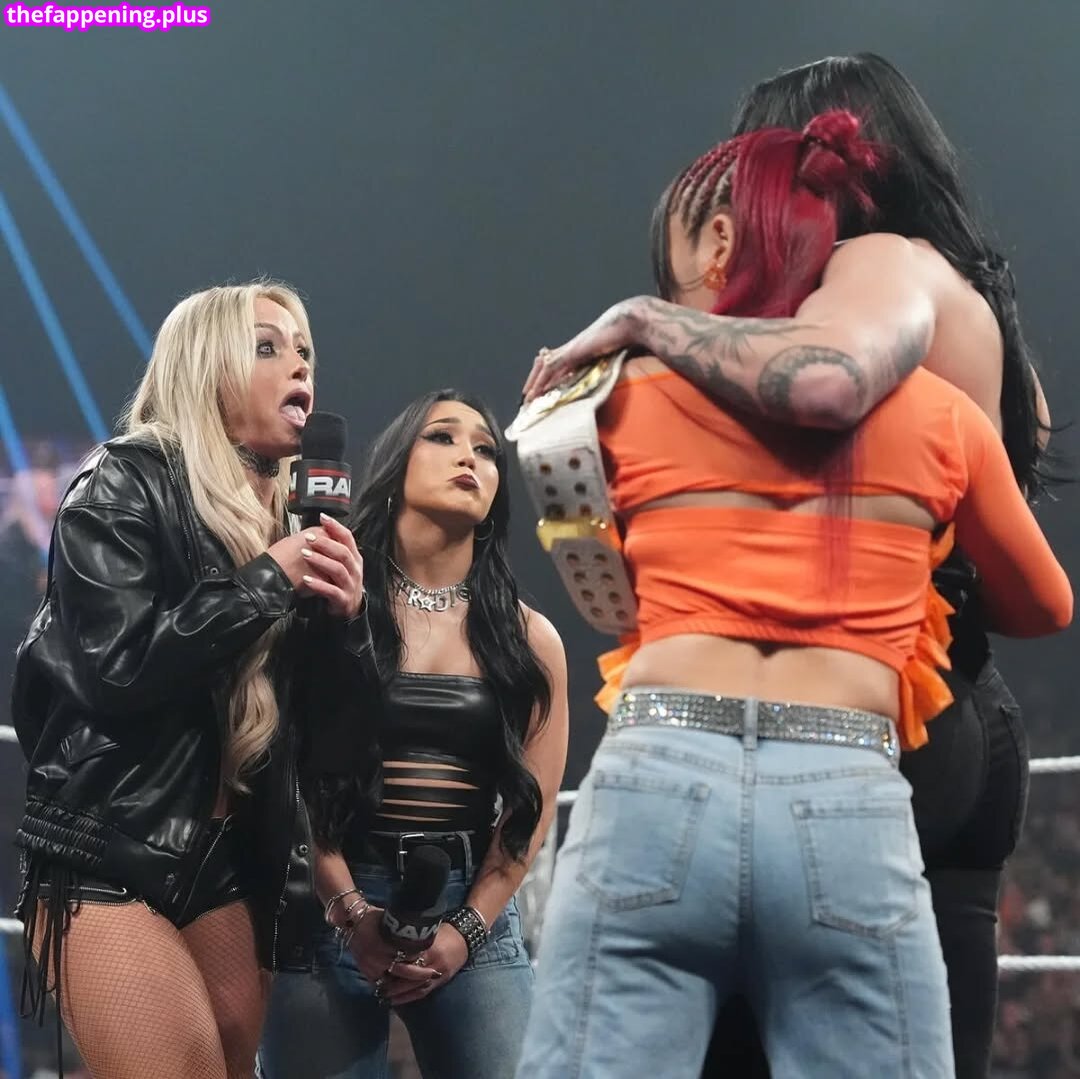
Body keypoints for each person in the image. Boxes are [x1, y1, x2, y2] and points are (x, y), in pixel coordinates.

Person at [524, 53, 1058, 1079]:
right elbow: (1032, 578)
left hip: (855, 718)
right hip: (931, 705)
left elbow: (825, 384)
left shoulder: (877, 268)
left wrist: (648, 319)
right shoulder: (970, 310)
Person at [11, 281, 371, 1079]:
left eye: (305, 350)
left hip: (230, 860)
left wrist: (343, 627)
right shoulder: (123, 481)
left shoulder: (294, 522)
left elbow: (330, 747)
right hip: (107, 846)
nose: (300, 366)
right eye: (268, 346)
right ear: (205, 368)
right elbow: (118, 667)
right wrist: (266, 582)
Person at [260, 389, 569, 1079]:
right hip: (331, 894)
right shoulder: (333, 602)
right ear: (396, 464)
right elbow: (289, 769)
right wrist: (349, 912)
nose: (470, 457)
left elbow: (534, 809)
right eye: (443, 437)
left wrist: (466, 931)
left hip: (468, 902)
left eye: (486, 449)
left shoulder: (529, 638)